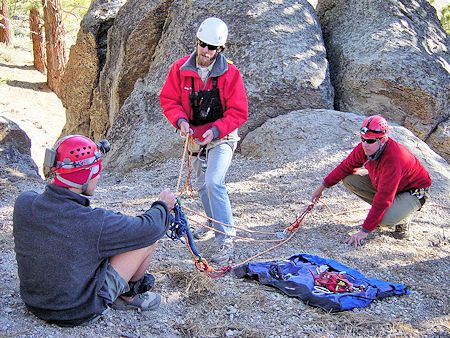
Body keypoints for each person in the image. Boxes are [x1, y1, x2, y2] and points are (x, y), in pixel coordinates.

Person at [13, 135, 176, 327]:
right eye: (96, 172)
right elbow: (150, 229)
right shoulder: (94, 222)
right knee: (147, 240)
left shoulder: (23, 202)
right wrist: (162, 206)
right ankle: (130, 296)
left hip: (34, 303)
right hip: (78, 311)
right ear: (85, 175)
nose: (98, 177)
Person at [159, 17, 248, 263]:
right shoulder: (180, 68)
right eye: (201, 44)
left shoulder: (230, 73)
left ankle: (225, 238)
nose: (205, 51)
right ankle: (212, 222)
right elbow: (169, 100)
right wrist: (180, 122)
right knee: (201, 185)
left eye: (211, 47)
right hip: (195, 136)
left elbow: (239, 111)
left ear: (220, 49)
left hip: (222, 136)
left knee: (213, 182)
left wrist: (217, 130)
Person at [311, 115, 432, 247]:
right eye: (363, 139)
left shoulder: (394, 159)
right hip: (390, 185)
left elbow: (383, 197)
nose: (364, 144)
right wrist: (322, 187)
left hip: (413, 191)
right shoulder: (365, 148)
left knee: (385, 220)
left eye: (370, 141)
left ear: (383, 139)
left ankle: (402, 218)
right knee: (349, 179)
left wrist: (364, 231)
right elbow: (345, 167)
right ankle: (390, 210)